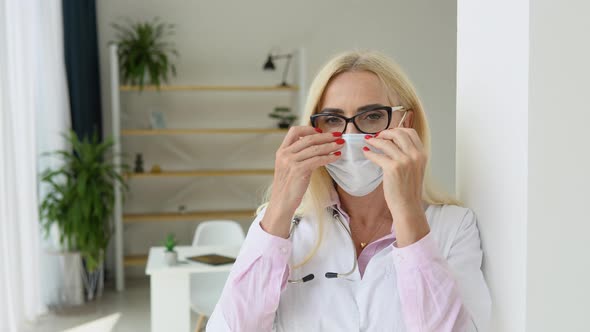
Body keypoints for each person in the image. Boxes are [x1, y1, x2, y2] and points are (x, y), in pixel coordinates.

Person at [207, 51, 491, 331]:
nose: (351, 135)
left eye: (372, 116)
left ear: (407, 123)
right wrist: (281, 204)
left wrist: (407, 212)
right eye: (332, 120)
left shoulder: (454, 227)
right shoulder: (282, 227)